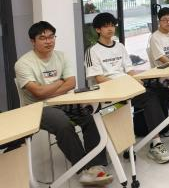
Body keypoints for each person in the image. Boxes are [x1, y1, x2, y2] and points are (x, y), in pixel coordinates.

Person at [15, 21, 113, 186]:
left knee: (91, 116)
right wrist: (61, 81)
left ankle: (96, 164)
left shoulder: (61, 56)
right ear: (33, 41)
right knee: (62, 122)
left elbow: (71, 83)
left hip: (64, 101)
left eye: (51, 37)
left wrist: (49, 88)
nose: (48, 41)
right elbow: (38, 93)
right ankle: (84, 169)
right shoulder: (23, 63)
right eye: (43, 38)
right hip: (37, 108)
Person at [85, 13, 169, 164]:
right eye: (105, 26)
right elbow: (99, 79)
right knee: (118, 108)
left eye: (112, 25)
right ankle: (119, 144)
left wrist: (137, 81)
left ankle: (156, 143)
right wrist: (124, 85)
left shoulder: (120, 46)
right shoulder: (92, 51)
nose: (110, 29)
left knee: (151, 96)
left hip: (126, 90)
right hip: (109, 96)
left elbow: (130, 71)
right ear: (98, 29)